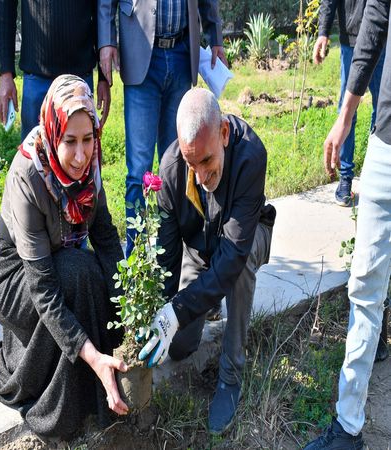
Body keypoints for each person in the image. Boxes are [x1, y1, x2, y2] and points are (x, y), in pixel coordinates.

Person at [0, 75, 128, 439]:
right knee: (78, 272)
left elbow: (107, 240)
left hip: (57, 263)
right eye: (69, 141)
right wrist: (92, 354)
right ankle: (60, 406)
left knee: (92, 271)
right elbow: (44, 289)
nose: (81, 156)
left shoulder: (89, 167)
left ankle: (95, 386)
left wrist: (128, 305)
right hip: (13, 279)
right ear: (52, 132)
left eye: (88, 140)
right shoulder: (28, 174)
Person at [138, 88, 276, 434]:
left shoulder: (250, 156)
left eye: (207, 161)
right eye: (191, 163)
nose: (200, 175)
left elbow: (232, 257)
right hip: (201, 252)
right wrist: (164, 313)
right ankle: (207, 302)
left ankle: (231, 375)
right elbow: (168, 257)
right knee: (181, 347)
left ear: (224, 135)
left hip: (246, 239)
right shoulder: (171, 171)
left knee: (237, 270)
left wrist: (181, 309)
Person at [304, 0, 391, 447]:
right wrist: (345, 113)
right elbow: (376, 15)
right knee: (364, 282)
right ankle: (349, 426)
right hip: (387, 137)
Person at [97, 0, 227, 256]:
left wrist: (215, 37)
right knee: (138, 172)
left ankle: (170, 259)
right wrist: (106, 41)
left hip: (181, 54)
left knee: (177, 168)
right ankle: (136, 266)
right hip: (141, 52)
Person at [0, 0, 110, 141]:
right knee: (34, 158)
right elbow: (5, 12)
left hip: (80, 80)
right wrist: (5, 73)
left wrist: (103, 77)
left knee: (81, 158)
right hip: (36, 81)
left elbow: (100, 11)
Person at [312, 0, 385, 207]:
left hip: (382, 35)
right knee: (347, 112)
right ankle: (345, 178)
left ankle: (375, 173)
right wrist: (323, 32)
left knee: (383, 109)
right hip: (351, 40)